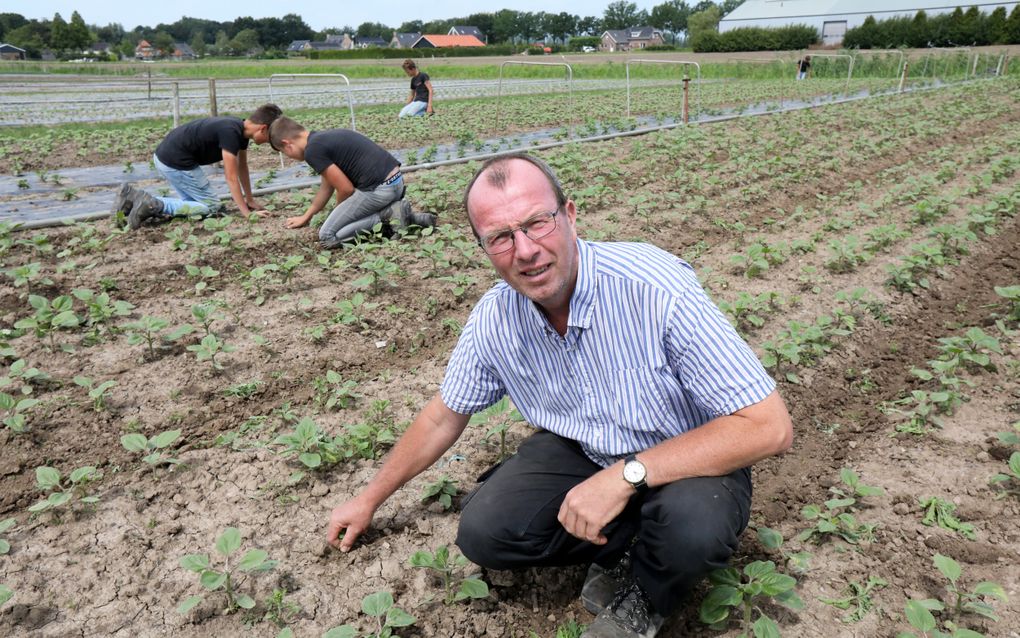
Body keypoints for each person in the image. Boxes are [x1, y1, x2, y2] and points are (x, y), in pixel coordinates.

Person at [325, 153, 794, 638]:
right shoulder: (496, 319)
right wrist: (368, 499)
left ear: (569, 215)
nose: (525, 250)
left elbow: (768, 426)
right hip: (587, 448)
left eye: (537, 223)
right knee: (486, 531)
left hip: (689, 457)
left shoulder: (653, 288)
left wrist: (625, 477)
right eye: (501, 237)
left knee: (692, 530)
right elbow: (444, 417)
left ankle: (649, 591)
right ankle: (628, 540)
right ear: (483, 247)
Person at [268, 116, 436, 248]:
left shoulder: (312, 151)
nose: (290, 157)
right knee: (341, 223)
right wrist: (307, 216)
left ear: (287, 144)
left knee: (327, 236)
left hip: (379, 190)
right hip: (396, 182)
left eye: (284, 153)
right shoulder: (320, 140)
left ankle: (387, 215)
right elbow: (327, 187)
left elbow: (345, 189)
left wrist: (337, 215)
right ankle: (410, 218)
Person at [111, 103, 282, 230]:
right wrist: (247, 213)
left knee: (194, 206)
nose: (270, 141)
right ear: (263, 129)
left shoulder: (240, 131)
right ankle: (151, 203)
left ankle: (131, 200)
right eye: (271, 137)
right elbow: (231, 177)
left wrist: (250, 200)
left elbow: (242, 168)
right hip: (176, 162)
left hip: (167, 157)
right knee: (212, 207)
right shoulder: (231, 133)